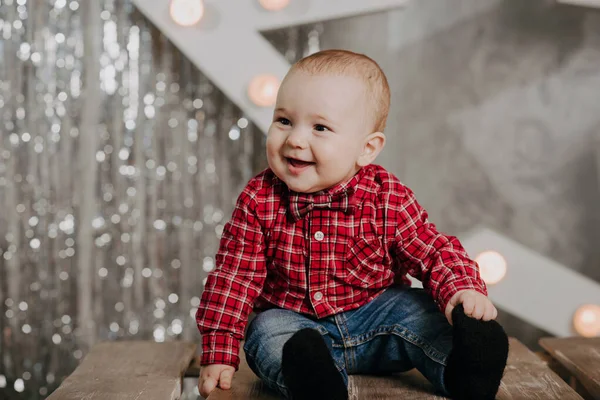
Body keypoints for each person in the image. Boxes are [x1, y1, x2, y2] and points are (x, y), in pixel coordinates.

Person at [196, 49, 508, 400]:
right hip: (298, 325)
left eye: (320, 127)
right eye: (284, 121)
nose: (295, 139)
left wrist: (462, 291)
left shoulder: (385, 195)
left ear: (367, 149)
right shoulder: (259, 198)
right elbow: (234, 277)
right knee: (266, 333)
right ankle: (317, 384)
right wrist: (219, 350)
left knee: (423, 310)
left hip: (378, 319)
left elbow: (432, 250)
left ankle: (465, 371)